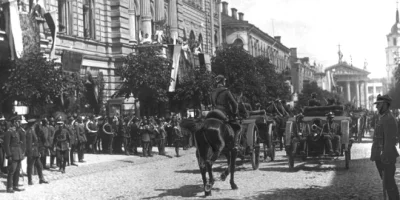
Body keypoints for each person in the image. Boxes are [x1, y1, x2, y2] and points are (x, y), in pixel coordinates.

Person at [370, 94, 399, 199]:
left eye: (378, 104)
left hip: (386, 156)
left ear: (385, 105)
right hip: (380, 155)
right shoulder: (383, 117)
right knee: (386, 183)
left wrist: (385, 155)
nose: (376, 107)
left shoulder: (389, 119)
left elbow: (389, 140)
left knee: (389, 183)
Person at [210, 74, 240, 149]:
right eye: (224, 81)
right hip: (223, 112)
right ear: (223, 82)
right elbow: (234, 104)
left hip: (213, 113)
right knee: (237, 127)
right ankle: (235, 144)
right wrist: (235, 113)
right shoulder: (226, 91)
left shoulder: (212, 92)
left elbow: (211, 103)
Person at [4, 115, 25, 193]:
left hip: (18, 154)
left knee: (17, 170)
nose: (19, 123)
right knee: (11, 171)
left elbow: (19, 143)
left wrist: (21, 153)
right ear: (14, 122)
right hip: (12, 154)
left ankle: (15, 186)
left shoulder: (17, 131)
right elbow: (6, 145)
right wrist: (9, 155)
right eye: (18, 122)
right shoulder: (9, 132)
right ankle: (9, 187)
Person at [25, 118, 48, 185]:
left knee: (39, 165)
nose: (36, 125)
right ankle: (30, 180)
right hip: (31, 152)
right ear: (33, 124)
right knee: (30, 166)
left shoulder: (33, 130)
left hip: (35, 151)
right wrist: (29, 152)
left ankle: (41, 179)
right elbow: (29, 143)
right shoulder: (29, 131)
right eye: (35, 124)